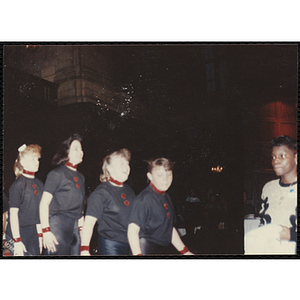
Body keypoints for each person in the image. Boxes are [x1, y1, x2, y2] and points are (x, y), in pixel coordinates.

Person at [127, 158, 194, 255]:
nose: (165, 179)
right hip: (144, 250)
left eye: (168, 174)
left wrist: (185, 252)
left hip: (162, 250)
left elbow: (169, 229)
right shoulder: (144, 198)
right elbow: (132, 230)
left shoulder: (166, 196)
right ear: (150, 176)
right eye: (160, 175)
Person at [245, 135, 297, 254]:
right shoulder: (269, 188)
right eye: (273, 157)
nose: (275, 161)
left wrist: (291, 235)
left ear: (296, 158)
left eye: (282, 156)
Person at [80, 148, 136, 255]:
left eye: (127, 163)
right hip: (111, 246)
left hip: (131, 245)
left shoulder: (130, 191)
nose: (126, 167)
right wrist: (84, 249)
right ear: (109, 168)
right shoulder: (101, 192)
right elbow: (89, 223)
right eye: (121, 163)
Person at [39, 134, 85, 255]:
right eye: (76, 148)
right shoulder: (56, 174)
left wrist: (83, 233)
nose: (80, 152)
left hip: (75, 228)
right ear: (66, 152)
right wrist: (46, 231)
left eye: (81, 149)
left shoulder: (81, 177)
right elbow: (44, 203)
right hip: (58, 226)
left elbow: (80, 210)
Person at [5, 144, 43, 256]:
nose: (36, 161)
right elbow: (13, 214)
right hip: (16, 231)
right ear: (22, 162)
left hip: (33, 231)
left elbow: (38, 213)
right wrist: (17, 241)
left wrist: (40, 235)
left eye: (37, 158)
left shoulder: (40, 184)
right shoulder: (18, 185)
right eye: (32, 158)